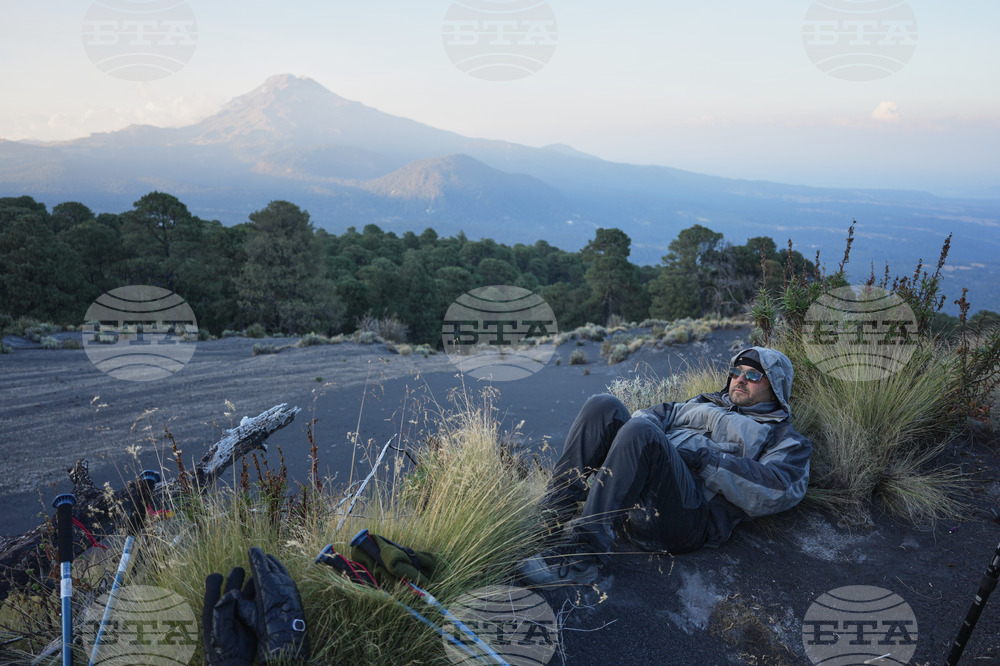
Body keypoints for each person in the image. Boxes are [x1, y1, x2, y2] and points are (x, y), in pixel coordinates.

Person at [519, 346, 812, 587]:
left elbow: (781, 487)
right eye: (736, 371)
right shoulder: (704, 403)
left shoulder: (784, 438)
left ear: (774, 386)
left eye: (753, 375)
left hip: (686, 518)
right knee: (603, 406)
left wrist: (703, 460)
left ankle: (581, 557)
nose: (740, 379)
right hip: (641, 491)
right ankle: (550, 517)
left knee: (642, 433)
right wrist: (644, 439)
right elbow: (653, 414)